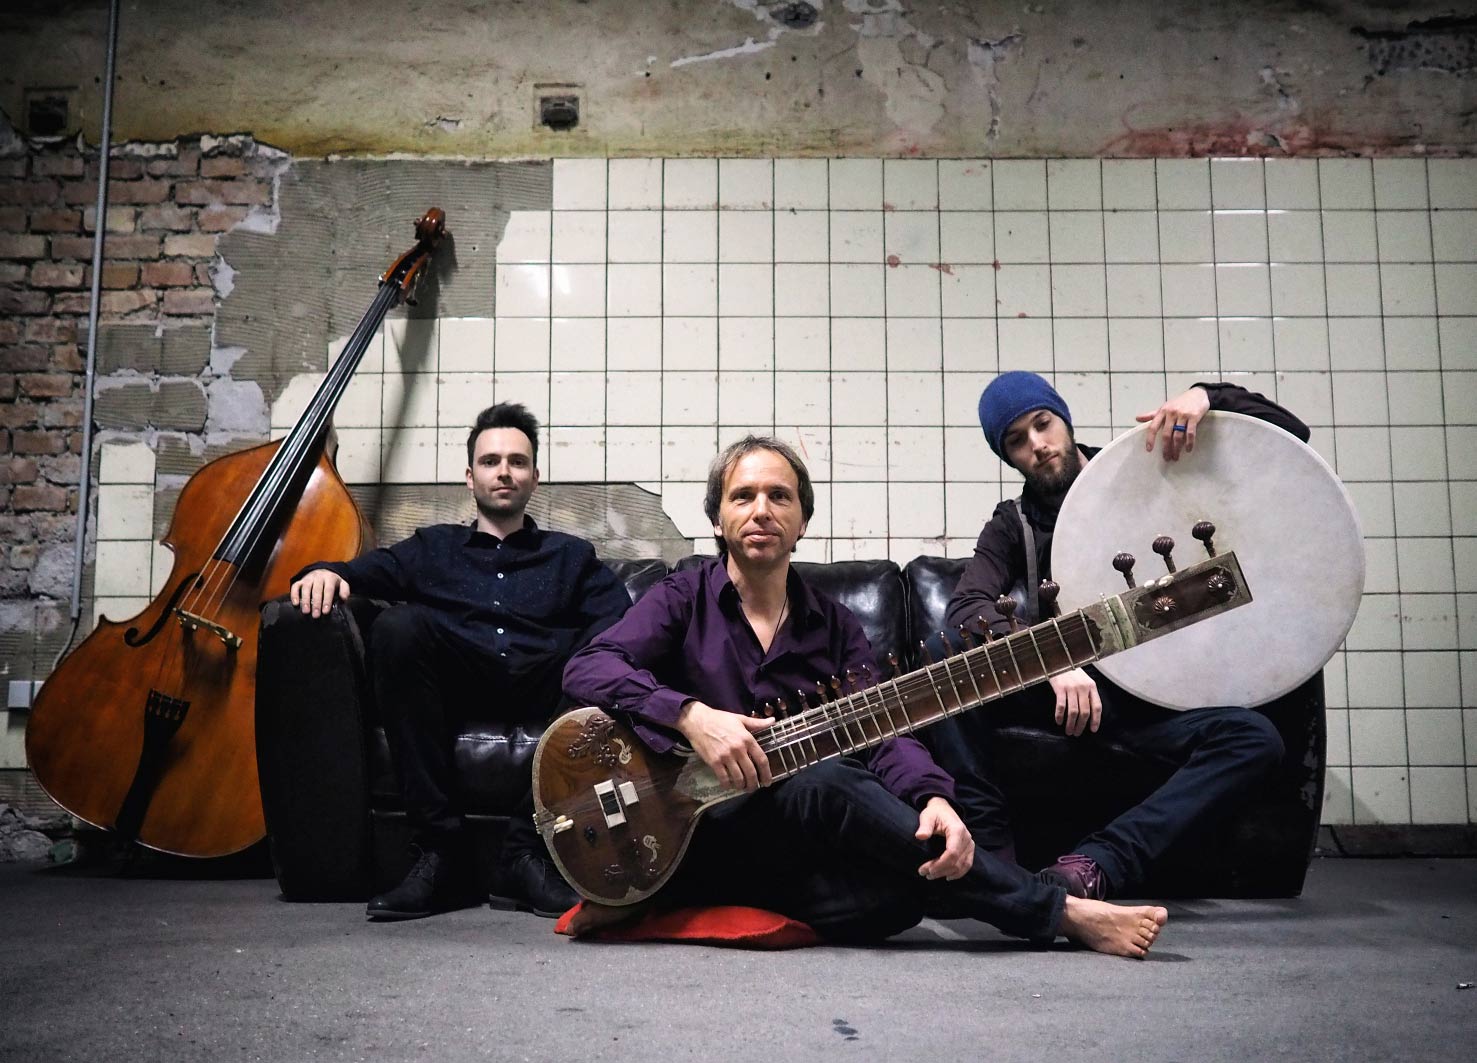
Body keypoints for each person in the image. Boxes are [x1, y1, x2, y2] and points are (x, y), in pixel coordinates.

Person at [560, 435, 1168, 957]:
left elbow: (885, 731)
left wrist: (932, 797)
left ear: (802, 521)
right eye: (742, 497)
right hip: (696, 831)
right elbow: (589, 666)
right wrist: (691, 716)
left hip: (788, 848)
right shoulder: (682, 598)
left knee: (901, 896)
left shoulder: (836, 626)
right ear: (718, 519)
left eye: (779, 496)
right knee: (825, 782)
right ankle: (1059, 912)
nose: (761, 510)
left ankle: (677, 900)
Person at [926, 372, 1308, 900]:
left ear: (1064, 420)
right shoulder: (1014, 523)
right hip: (1070, 700)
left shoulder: (1139, 470)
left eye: (1043, 424)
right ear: (1008, 456)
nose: (1038, 444)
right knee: (944, 663)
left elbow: (1291, 438)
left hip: (1155, 704)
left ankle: (1098, 864)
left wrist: (1207, 396)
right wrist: (1053, 661)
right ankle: (991, 856)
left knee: (1255, 739)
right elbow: (965, 609)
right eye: (1016, 440)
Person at [289, 402, 630, 921]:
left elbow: (623, 619)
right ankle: (441, 853)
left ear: (535, 478)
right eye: (491, 461)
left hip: (546, 685)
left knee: (603, 655)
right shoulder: (433, 547)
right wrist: (324, 571)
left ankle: (525, 852)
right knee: (398, 627)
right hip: (456, 684)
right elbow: (359, 571)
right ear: (470, 477)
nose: (504, 472)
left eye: (517, 462)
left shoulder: (571, 555)